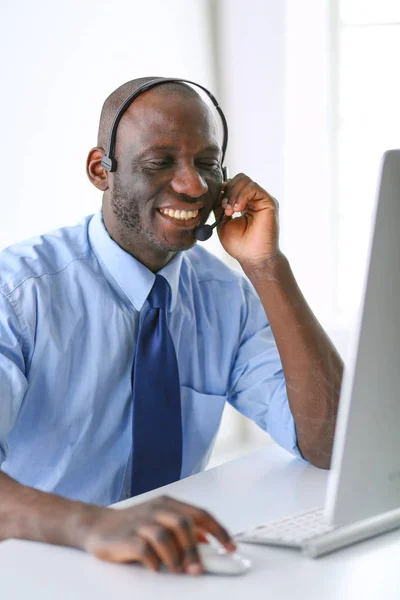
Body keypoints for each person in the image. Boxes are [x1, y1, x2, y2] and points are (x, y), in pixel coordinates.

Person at [0, 77, 343, 575]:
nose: (194, 185)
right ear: (102, 171)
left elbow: (331, 444)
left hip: (168, 568)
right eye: (161, 162)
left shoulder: (225, 295)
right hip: (38, 562)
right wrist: (92, 525)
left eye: (208, 163)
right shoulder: (19, 293)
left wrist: (268, 267)